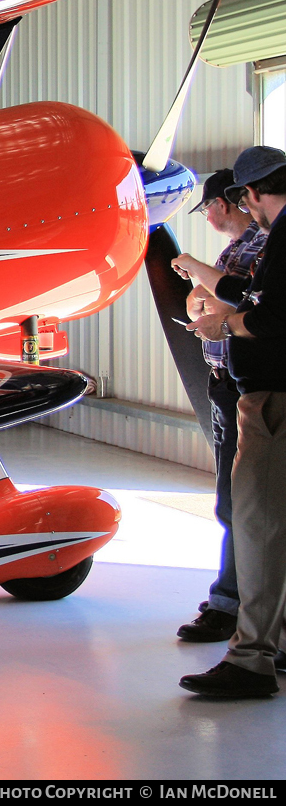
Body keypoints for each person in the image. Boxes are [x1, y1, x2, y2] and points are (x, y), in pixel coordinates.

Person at [182, 146, 286, 697]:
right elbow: (256, 294)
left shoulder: (280, 235)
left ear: (250, 195)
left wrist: (223, 330)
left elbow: (271, 315)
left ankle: (250, 659)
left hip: (273, 401)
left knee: (256, 526)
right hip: (264, 394)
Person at [170, 169, 268, 643]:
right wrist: (201, 298)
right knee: (234, 500)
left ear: (228, 203)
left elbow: (243, 300)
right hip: (225, 384)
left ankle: (236, 607)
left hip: (248, 387)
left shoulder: (262, 245)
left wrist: (195, 271)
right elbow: (205, 303)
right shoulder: (238, 249)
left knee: (243, 503)